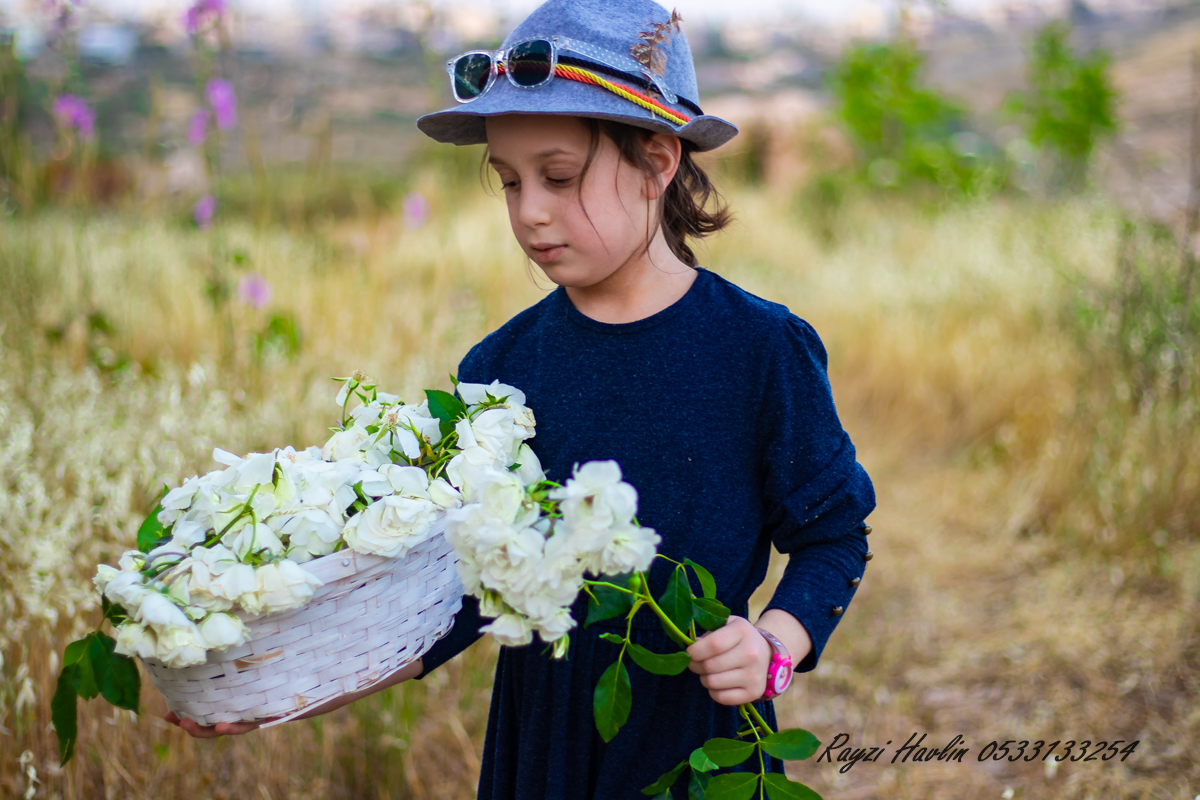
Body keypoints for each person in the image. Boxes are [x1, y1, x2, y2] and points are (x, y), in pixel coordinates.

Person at [169, 1, 876, 797]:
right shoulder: (501, 368)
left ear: (656, 163)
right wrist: (292, 686)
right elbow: (453, 597)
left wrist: (773, 645)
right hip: (543, 749)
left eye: (559, 177)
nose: (530, 210)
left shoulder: (758, 349)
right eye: (509, 182)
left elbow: (833, 535)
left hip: (698, 744)